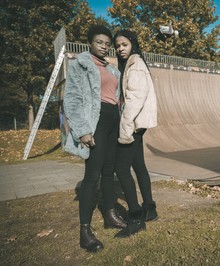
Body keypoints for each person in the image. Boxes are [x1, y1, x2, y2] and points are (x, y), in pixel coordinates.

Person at [63, 25, 126, 252]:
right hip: (95, 123)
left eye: (107, 44)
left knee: (109, 172)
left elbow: (118, 99)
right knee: (92, 175)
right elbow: (71, 99)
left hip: (113, 122)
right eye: (99, 42)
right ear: (90, 42)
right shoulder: (80, 64)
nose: (104, 47)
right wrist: (82, 130)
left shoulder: (113, 70)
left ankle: (109, 215)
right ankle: (85, 231)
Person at [113, 30, 158, 238]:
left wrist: (125, 128)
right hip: (137, 124)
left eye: (124, 44)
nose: (120, 49)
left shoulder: (135, 64)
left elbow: (135, 100)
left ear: (132, 44)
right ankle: (149, 208)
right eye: (118, 46)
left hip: (133, 124)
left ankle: (136, 216)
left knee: (121, 168)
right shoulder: (133, 62)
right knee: (138, 166)